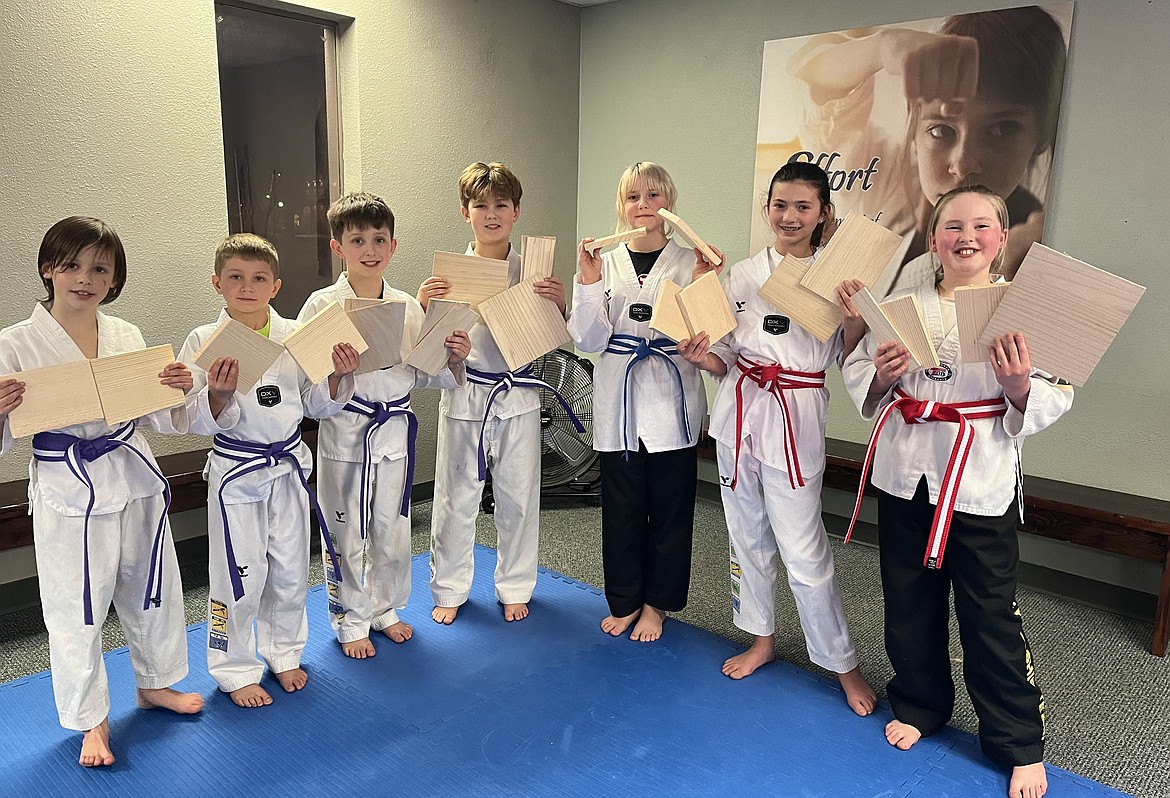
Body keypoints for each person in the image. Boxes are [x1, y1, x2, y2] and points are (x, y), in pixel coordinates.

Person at [841, 185, 1073, 798]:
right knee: (909, 597)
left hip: (979, 478)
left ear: (1001, 238)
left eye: (980, 225)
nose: (965, 236)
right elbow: (860, 369)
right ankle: (919, 705)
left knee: (989, 610)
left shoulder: (1025, 310)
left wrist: (1020, 384)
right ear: (934, 239)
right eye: (951, 226)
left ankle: (1017, 741)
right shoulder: (898, 304)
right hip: (908, 471)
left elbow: (1057, 392)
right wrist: (882, 377)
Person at [0, 216, 203, 766]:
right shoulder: (15, 344)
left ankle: (154, 684)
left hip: (131, 471)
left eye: (99, 269)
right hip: (68, 486)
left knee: (152, 587)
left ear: (113, 280)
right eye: (72, 265)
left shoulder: (126, 336)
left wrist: (178, 390)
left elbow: (160, 418)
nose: (85, 278)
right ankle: (91, 718)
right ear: (48, 269)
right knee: (76, 606)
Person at [679, 162, 877, 716]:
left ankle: (842, 662)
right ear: (767, 209)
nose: (789, 217)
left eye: (802, 207)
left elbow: (845, 354)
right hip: (739, 411)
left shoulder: (836, 279)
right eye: (780, 205)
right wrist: (705, 359)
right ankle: (760, 638)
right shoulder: (741, 275)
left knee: (804, 545)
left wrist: (857, 316)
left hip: (796, 413)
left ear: (823, 214)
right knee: (745, 536)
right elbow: (726, 358)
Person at [179, 232, 359, 708]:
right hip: (237, 471)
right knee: (240, 573)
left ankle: (284, 652)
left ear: (275, 286)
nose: (247, 287)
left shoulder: (294, 335)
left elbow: (317, 403)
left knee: (289, 567)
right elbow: (183, 415)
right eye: (235, 277)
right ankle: (234, 669)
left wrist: (339, 375)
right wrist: (216, 396)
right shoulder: (203, 340)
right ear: (217, 283)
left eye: (259, 278)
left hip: (288, 465)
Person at [298, 192, 470, 659]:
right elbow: (307, 394)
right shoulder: (320, 306)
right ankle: (349, 618)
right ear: (339, 248)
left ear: (393, 246)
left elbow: (426, 372)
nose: (369, 249)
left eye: (379, 239)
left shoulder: (407, 306)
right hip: (346, 432)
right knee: (345, 531)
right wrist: (337, 374)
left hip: (394, 431)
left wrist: (453, 356)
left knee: (392, 529)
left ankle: (385, 609)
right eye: (357, 240)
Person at [789, 6, 1067, 290]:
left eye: (1000, 129)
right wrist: (880, 48)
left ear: (1042, 134)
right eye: (941, 130)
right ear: (915, 130)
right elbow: (816, 87)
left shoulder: (1042, 242)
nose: (963, 164)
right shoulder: (885, 184)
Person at [417, 161, 568, 624]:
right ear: (466, 213)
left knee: (519, 497)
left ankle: (516, 585)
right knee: (455, 498)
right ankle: (449, 587)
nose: (491, 213)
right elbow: (426, 351)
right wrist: (424, 305)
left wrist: (558, 303)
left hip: (518, 395)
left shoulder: (534, 270)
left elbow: (557, 337)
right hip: (466, 396)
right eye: (480, 205)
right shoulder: (449, 273)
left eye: (501, 204)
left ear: (516, 211)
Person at [568, 162, 706, 642]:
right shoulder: (603, 262)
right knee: (622, 508)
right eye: (632, 197)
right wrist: (585, 282)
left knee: (670, 509)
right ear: (620, 207)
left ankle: (656, 605)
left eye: (653, 196)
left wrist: (707, 281)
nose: (643, 206)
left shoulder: (691, 261)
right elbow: (587, 338)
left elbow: (708, 334)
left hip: (673, 394)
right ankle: (625, 599)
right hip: (619, 396)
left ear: (669, 204)